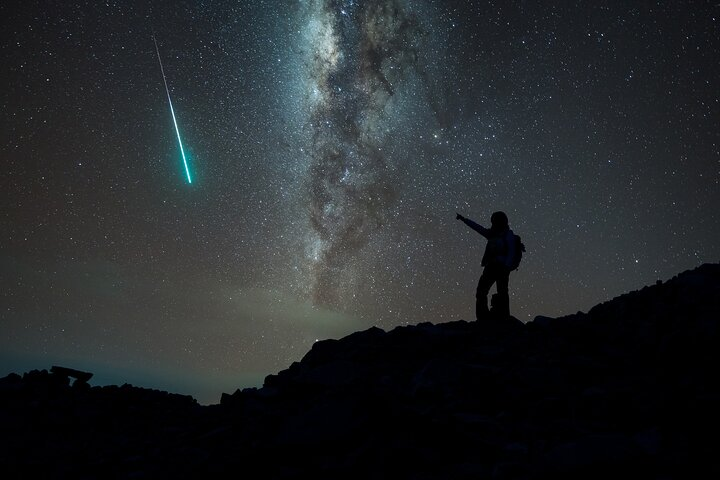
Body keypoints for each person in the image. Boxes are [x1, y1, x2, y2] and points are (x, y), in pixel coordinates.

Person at [456, 211, 517, 321]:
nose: (494, 224)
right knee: (482, 292)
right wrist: (464, 220)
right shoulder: (492, 234)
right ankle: (483, 317)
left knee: (501, 292)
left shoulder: (508, 235)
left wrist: (506, 267)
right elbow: (478, 228)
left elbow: (511, 252)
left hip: (501, 268)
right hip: (491, 267)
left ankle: (503, 316)